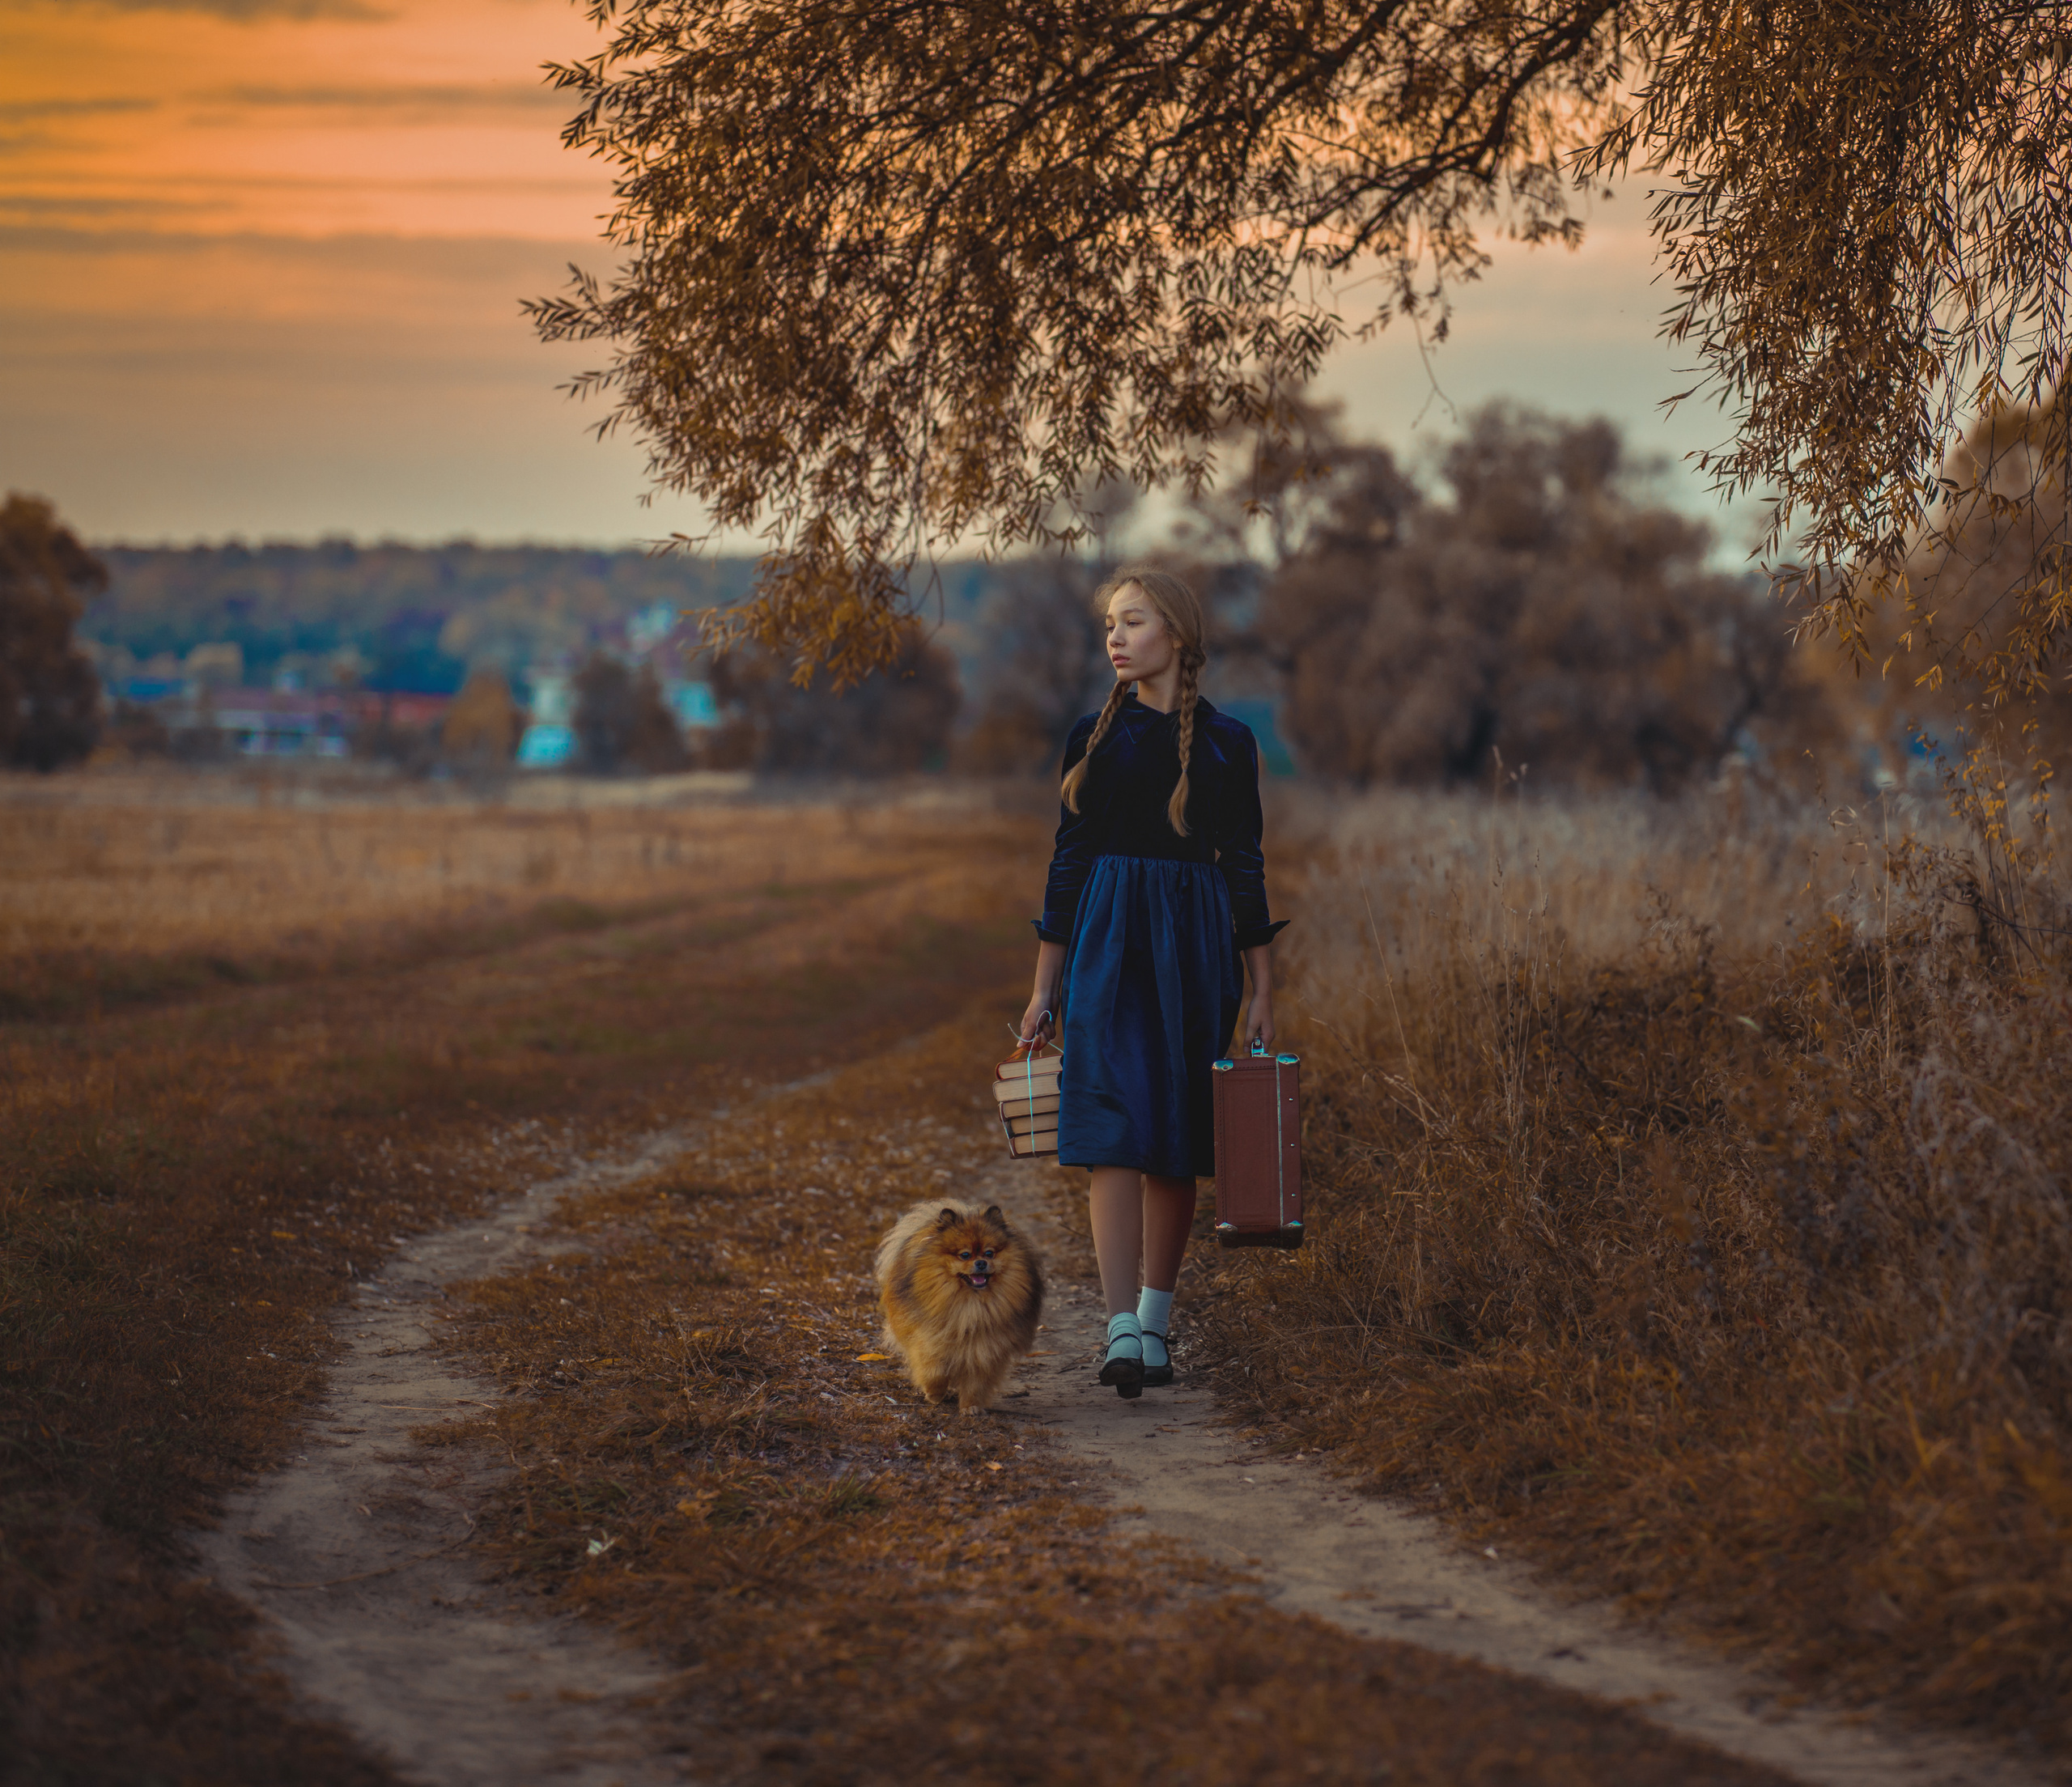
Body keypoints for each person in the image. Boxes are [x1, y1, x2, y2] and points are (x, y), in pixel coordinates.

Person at [1018, 567, 1286, 1398]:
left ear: (1175, 631)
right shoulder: (1092, 738)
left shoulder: (1229, 743)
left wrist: (1262, 989)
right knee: (1112, 1129)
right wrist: (1043, 988)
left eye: (1131, 621)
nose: (1115, 637)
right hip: (1107, 943)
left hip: (1194, 949)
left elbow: (1245, 867)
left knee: (1175, 1134)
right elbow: (1067, 865)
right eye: (1109, 623)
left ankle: (1157, 1323)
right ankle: (1120, 1329)